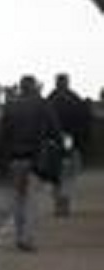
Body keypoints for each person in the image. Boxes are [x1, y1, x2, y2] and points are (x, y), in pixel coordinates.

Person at [0, 74, 63, 251]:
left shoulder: (10, 106)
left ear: (20, 87)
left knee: (18, 199)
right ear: (35, 87)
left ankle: (18, 235)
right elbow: (55, 130)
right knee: (32, 201)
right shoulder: (42, 104)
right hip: (36, 159)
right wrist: (61, 148)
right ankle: (27, 238)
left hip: (15, 159)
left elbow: (3, 136)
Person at [47, 73, 91, 217]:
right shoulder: (74, 99)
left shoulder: (50, 99)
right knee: (66, 176)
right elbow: (85, 122)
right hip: (68, 140)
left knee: (59, 176)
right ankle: (63, 204)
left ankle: (60, 204)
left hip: (56, 141)